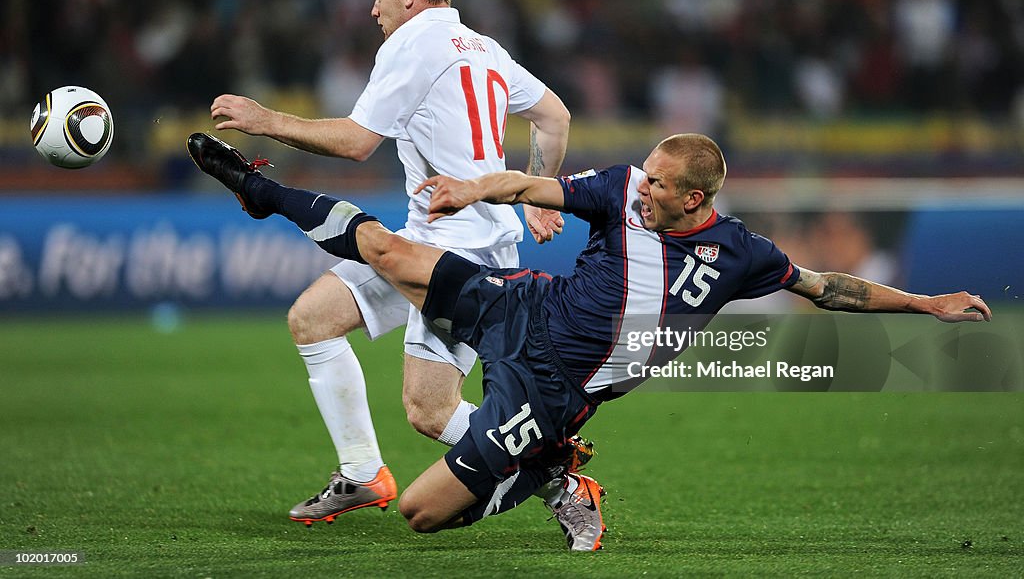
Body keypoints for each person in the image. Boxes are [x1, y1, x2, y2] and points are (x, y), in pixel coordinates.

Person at [186, 131, 991, 551]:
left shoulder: (744, 254)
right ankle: (257, 188)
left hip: (551, 395)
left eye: (659, 184)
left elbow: (829, 290)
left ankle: (550, 466)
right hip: (520, 310)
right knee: (391, 252)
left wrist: (926, 304)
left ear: (696, 196)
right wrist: (475, 186)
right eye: (641, 175)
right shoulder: (618, 190)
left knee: (423, 517)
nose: (640, 187)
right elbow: (533, 185)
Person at [204, 0, 578, 524]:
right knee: (313, 320)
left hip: (461, 251)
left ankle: (558, 479)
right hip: (426, 236)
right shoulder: (485, 46)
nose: (372, 8)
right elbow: (554, 116)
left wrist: (266, 121)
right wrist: (534, 192)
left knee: (430, 410)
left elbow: (357, 142)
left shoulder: (412, 43)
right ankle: (362, 474)